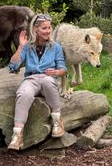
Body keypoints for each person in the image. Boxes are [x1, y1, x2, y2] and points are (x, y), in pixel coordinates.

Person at [7, 14, 67, 150]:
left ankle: (57, 120)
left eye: (49, 27)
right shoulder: (28, 47)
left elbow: (63, 68)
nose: (48, 31)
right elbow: (13, 66)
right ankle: (17, 136)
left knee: (47, 81)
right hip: (32, 79)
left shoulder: (56, 47)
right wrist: (20, 47)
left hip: (49, 79)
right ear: (35, 30)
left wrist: (56, 72)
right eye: (44, 28)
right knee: (23, 93)